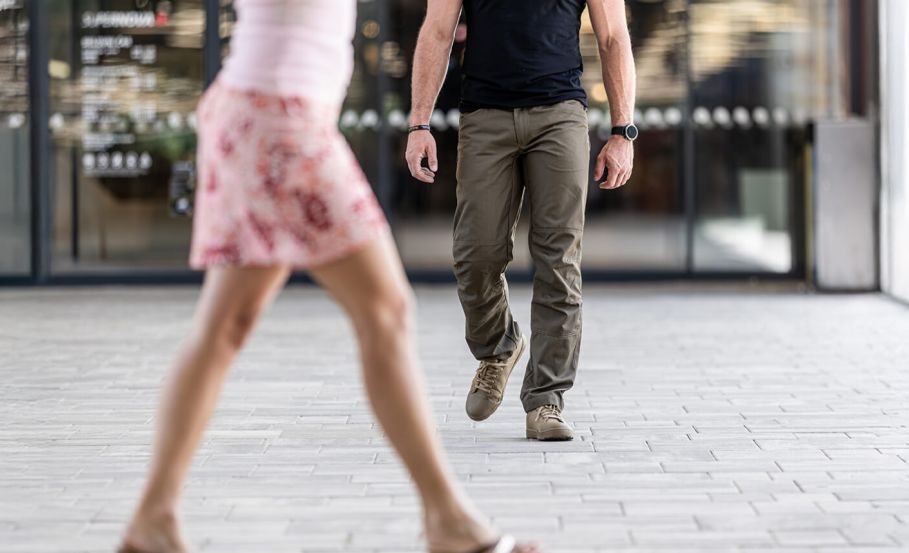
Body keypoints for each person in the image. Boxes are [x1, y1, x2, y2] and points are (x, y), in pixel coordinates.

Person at [117, 1, 538, 552]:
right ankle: (448, 520)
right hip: (280, 120)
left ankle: (154, 518)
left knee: (226, 328)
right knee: (384, 312)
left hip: (262, 112)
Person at [406, 0, 637, 441]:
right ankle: (499, 348)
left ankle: (546, 399)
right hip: (484, 116)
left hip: (560, 115)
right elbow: (436, 32)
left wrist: (623, 131)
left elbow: (612, 36)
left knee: (558, 261)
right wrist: (419, 125)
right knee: (475, 255)